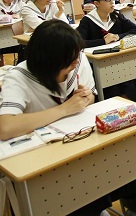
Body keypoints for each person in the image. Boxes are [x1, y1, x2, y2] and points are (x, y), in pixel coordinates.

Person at [0, 19, 112, 215]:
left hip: (78, 142)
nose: (75, 63)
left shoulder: (78, 60)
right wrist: (64, 109)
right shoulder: (19, 77)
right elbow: (6, 127)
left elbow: (92, 97)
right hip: (39, 159)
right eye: (69, 61)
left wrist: (86, 98)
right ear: (48, 61)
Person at [77, 0, 136, 105]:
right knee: (111, 86)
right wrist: (103, 41)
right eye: (107, 0)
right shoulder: (88, 21)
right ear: (96, 3)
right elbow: (78, 42)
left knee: (133, 77)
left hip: (121, 60)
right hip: (99, 66)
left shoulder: (116, 16)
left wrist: (118, 36)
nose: (112, 3)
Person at [0, 0, 23, 66]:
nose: (10, 0)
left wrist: (19, 15)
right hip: (1, 36)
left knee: (25, 47)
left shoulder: (19, 1)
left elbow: (25, 12)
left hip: (16, 36)